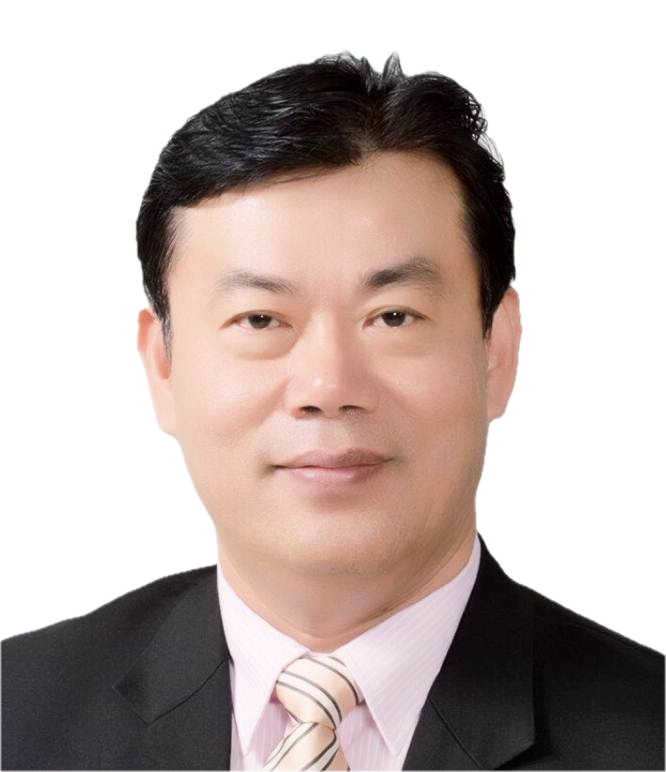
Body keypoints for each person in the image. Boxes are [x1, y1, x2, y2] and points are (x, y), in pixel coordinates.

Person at [1, 49, 664, 772]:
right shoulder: (17, 714)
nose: (327, 385)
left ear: (497, 350)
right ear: (161, 364)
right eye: (260, 320)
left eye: (394, 316)